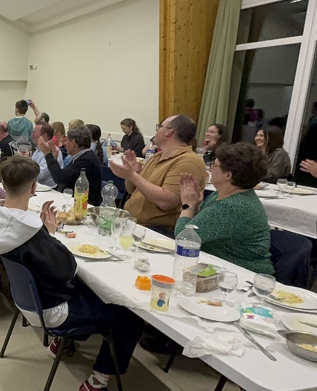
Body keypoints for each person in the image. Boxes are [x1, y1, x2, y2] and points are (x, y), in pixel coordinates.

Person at [0, 156, 144, 391]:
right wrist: (52, 234)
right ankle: (95, 386)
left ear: (2, 183)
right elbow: (67, 270)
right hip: (50, 308)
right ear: (34, 187)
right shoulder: (30, 232)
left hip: (28, 300)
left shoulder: (0, 215)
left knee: (90, 288)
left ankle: (62, 343)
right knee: (129, 314)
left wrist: (45, 233)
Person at [177, 143, 274, 274]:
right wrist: (196, 205)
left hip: (243, 275)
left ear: (228, 175)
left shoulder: (232, 206)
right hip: (220, 267)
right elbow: (202, 227)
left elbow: (183, 240)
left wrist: (187, 205)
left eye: (214, 165)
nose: (210, 169)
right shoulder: (222, 194)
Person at [110, 115, 208, 236]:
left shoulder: (188, 161)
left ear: (169, 132)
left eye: (160, 126)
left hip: (158, 231)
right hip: (134, 223)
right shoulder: (156, 157)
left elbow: (166, 202)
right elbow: (131, 190)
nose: (156, 130)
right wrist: (133, 174)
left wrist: (133, 176)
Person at [38, 126, 103, 205]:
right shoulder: (84, 156)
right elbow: (63, 175)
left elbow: (60, 178)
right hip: (75, 200)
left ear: (73, 143)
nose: (65, 144)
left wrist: (47, 155)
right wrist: (54, 158)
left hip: (85, 205)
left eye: (67, 141)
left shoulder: (86, 160)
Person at [31, 122, 64, 190]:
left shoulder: (52, 151)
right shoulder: (38, 150)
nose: (32, 136)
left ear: (43, 136)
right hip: (37, 187)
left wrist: (26, 165)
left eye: (34, 133)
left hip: (49, 190)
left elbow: (40, 175)